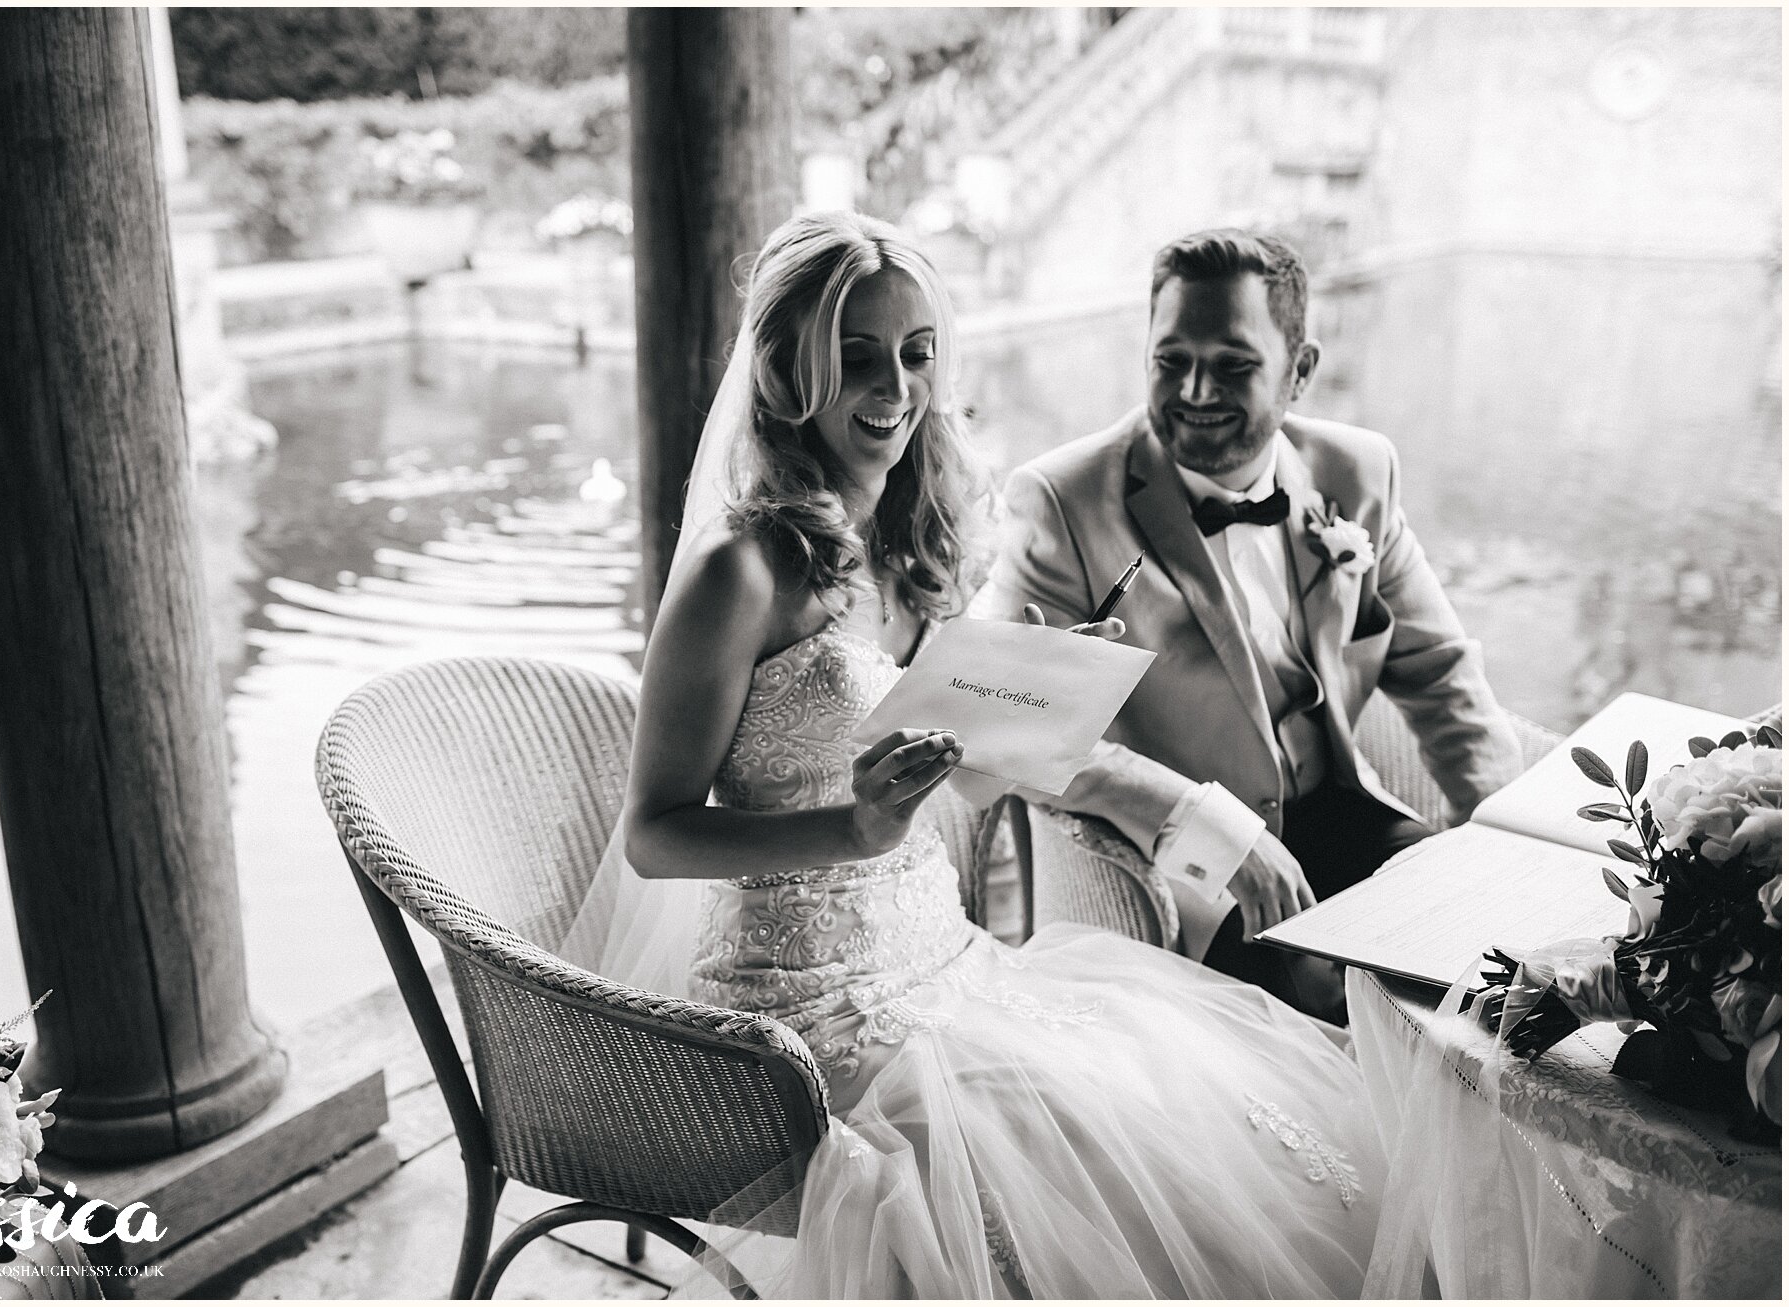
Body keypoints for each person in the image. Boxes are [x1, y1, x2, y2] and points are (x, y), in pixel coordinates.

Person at [564, 211, 1382, 1298]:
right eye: (854, 358)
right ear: (785, 368)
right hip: (798, 1008)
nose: (893, 390)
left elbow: (964, 767)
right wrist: (849, 829)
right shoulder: (741, 571)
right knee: (1062, 1173)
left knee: (1177, 1116)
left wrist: (1034, 690)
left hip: (944, 957)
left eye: (915, 354)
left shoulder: (909, 539)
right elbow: (654, 833)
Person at [974, 229, 1524, 1016]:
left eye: (1233, 365)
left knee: (1492, 957)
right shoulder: (1063, 499)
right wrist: (1208, 825)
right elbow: (1001, 721)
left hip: (1347, 822)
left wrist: (1506, 836)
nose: (1195, 389)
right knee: (1373, 1011)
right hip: (1194, 878)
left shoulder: (1357, 472)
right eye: (1171, 360)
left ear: (1300, 371)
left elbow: (1440, 675)